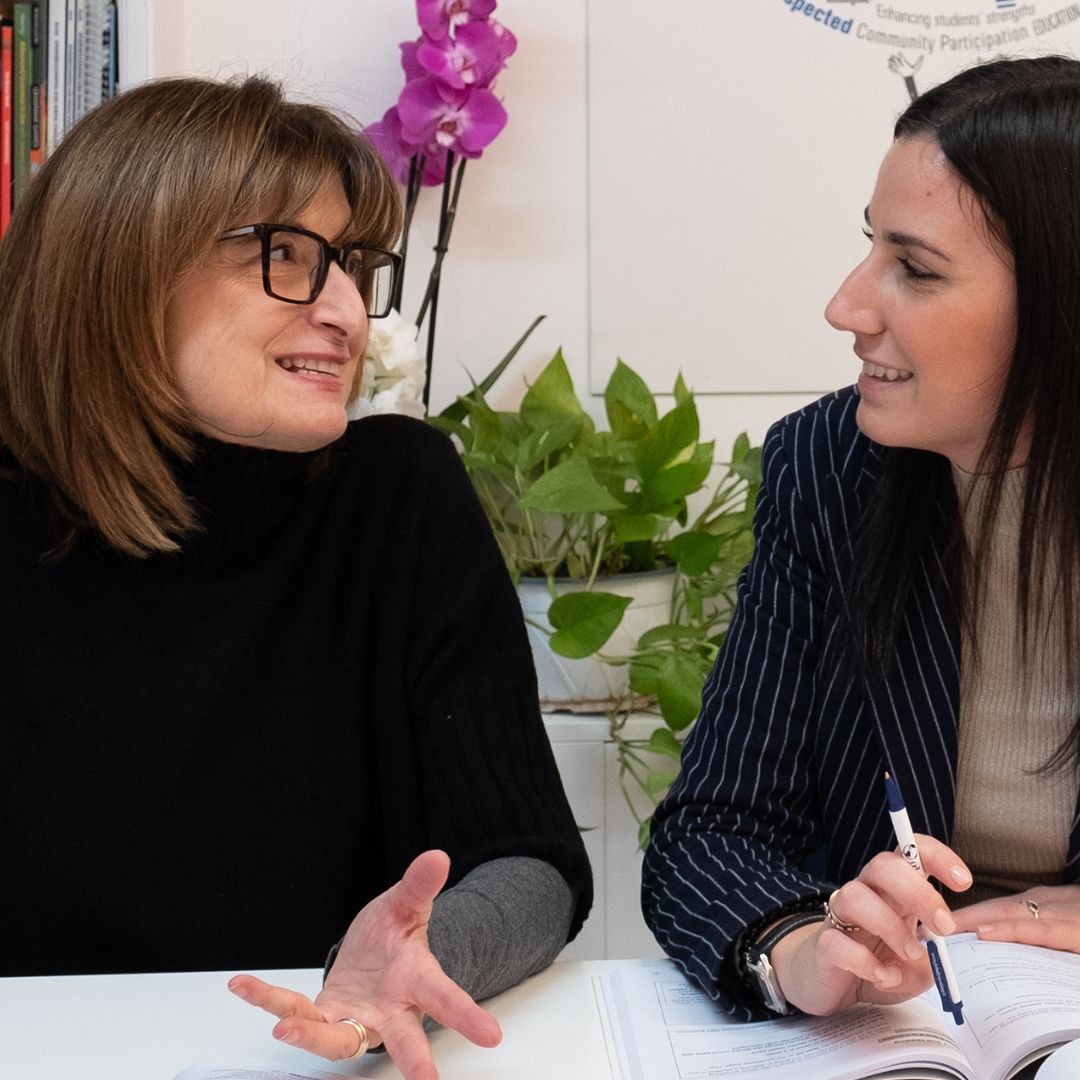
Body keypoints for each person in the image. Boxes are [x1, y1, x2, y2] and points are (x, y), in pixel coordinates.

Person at [0, 76, 592, 1075]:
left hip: (329, 1059)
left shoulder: (400, 496)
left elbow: (526, 862)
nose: (346, 311)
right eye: (288, 257)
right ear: (120, 268)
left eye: (356, 268)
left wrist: (410, 963)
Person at [642, 55, 1080, 1022]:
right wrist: (795, 951)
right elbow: (711, 830)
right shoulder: (829, 467)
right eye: (870, 249)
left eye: (914, 270)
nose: (848, 306)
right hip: (911, 1028)